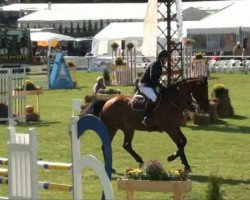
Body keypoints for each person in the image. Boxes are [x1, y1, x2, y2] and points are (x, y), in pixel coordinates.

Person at [138, 49, 169, 126]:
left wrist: (161, 85)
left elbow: (155, 79)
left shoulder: (159, 65)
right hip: (145, 85)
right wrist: (160, 85)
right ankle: (145, 117)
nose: (166, 60)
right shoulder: (155, 64)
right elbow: (153, 78)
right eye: (166, 59)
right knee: (154, 98)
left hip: (151, 85)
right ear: (162, 58)